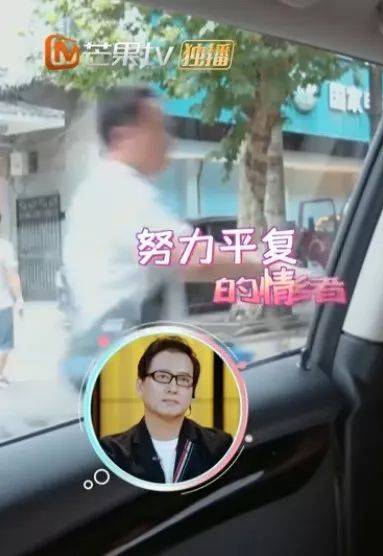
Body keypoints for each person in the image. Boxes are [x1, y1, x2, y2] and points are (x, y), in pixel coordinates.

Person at [61, 86, 260, 388]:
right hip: (128, 368)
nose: (168, 139)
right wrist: (263, 265)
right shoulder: (121, 192)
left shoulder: (102, 188)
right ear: (121, 136)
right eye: (156, 127)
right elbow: (196, 259)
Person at [99, 336, 232, 483]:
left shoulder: (219, 447)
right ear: (140, 386)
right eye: (162, 376)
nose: (173, 388)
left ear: (192, 392)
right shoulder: (113, 452)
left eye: (183, 379)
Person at [0, 215, 23, 388]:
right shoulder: (4, 248)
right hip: (2, 304)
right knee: (4, 343)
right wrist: (19, 299)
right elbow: (11, 277)